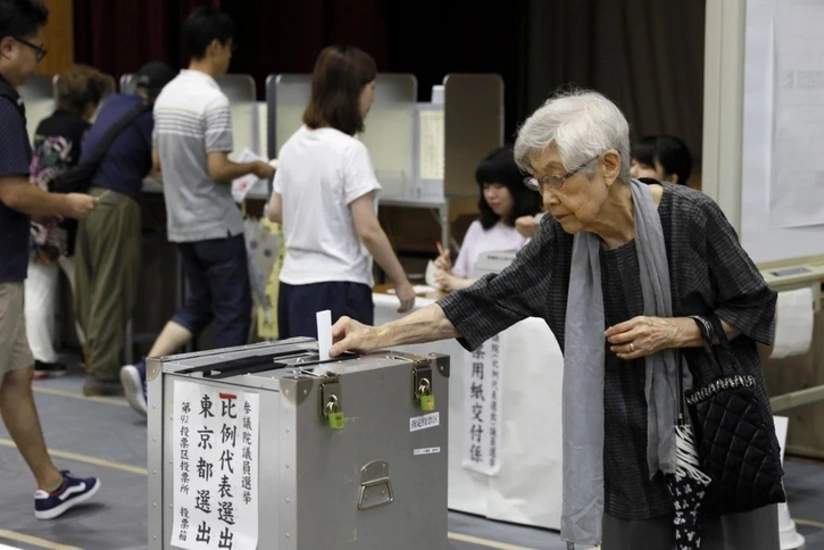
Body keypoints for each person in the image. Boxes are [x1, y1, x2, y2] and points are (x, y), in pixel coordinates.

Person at [329, 90, 782, 549]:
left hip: (716, 437)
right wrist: (377, 334)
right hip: (623, 450)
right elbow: (481, 303)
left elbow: (754, 307)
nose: (547, 198)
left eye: (557, 179)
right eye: (538, 183)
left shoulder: (690, 218)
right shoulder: (561, 242)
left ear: (608, 166)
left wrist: (677, 330)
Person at [119, 7, 274, 418]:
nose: (230, 58)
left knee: (198, 304)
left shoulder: (166, 95)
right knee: (233, 313)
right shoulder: (212, 99)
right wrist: (256, 168)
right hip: (216, 224)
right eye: (229, 49)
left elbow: (155, 162)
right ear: (215, 46)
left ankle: (145, 373)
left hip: (181, 223)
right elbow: (218, 168)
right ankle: (227, 401)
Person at [0, 0, 100, 519]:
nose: (40, 59)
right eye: (37, 48)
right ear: (7, 46)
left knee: (15, 377)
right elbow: (14, 193)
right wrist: (67, 203)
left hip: (9, 266)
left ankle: (51, 484)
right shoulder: (1, 104)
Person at [266, 44, 415, 338]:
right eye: (371, 88)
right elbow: (368, 230)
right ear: (353, 92)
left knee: (300, 379)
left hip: (292, 286)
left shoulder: (292, 145)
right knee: (341, 381)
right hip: (338, 287)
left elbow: (275, 211)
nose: (373, 98)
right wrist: (401, 281)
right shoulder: (350, 151)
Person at [74, 61, 176, 397]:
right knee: (112, 288)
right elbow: (159, 165)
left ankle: (93, 359)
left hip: (87, 199)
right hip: (117, 204)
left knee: (90, 287)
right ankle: (102, 373)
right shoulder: (152, 117)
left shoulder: (115, 103)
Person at [25, 64, 109, 379]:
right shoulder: (85, 131)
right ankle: (93, 353)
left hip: (36, 211)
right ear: (90, 102)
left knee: (38, 286)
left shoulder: (44, 124)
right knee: (84, 287)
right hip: (68, 216)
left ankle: (41, 358)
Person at [433, 146, 541, 291]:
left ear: (518, 189)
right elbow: (459, 278)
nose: (490, 194)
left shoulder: (532, 228)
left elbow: (519, 285)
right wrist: (447, 275)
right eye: (486, 187)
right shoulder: (478, 227)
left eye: (498, 186)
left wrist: (462, 284)